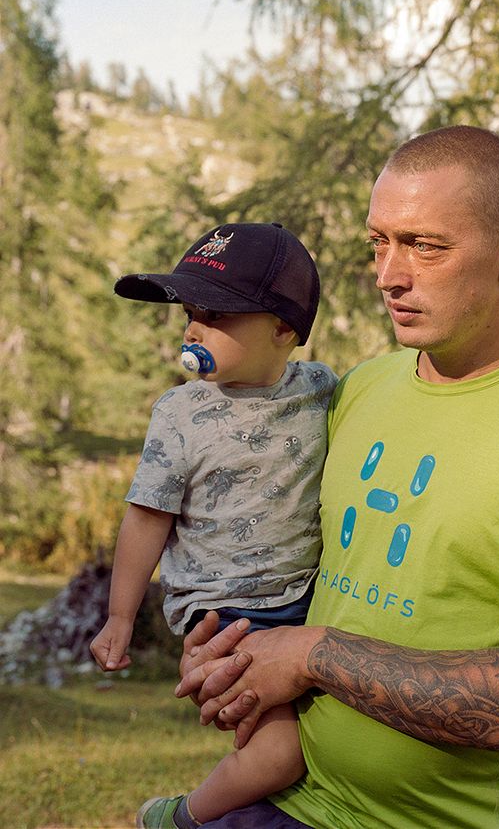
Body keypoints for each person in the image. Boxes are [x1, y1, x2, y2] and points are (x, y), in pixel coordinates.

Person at [173, 127, 499, 829]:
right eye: (379, 242)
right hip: (287, 798)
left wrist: (311, 653)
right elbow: (283, 562)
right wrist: (227, 647)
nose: (388, 275)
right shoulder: (359, 389)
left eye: (425, 245)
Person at [89, 222, 338, 829]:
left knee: (327, 740)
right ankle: (182, 817)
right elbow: (146, 518)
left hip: (312, 601)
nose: (193, 330)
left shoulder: (324, 392)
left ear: (285, 330)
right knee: (280, 755)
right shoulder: (181, 413)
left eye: (217, 315)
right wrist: (120, 616)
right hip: (229, 613)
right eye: (191, 313)